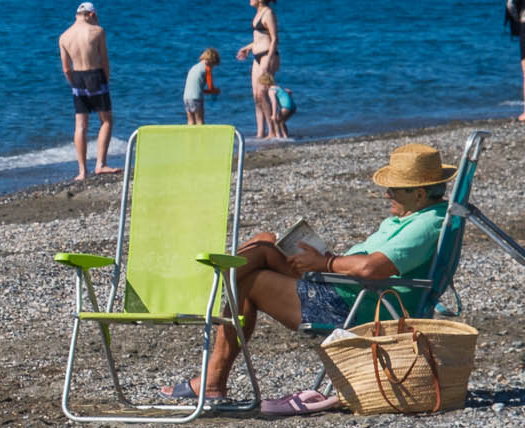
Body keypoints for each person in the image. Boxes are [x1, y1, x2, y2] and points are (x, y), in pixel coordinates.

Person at [167, 142, 456, 400]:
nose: (386, 194)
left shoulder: (426, 224)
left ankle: (210, 364)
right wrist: (325, 260)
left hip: (358, 305)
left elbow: (371, 267)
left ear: (419, 194)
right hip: (347, 288)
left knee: (249, 279)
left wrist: (325, 264)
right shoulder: (414, 215)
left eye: (394, 189)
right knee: (264, 242)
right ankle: (212, 364)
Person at [59, 2, 116, 178]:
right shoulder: (97, 31)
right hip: (95, 75)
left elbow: (66, 68)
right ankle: (100, 164)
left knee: (80, 125)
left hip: (77, 78)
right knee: (106, 120)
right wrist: (106, 79)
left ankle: (82, 171)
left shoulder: (64, 36)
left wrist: (73, 83)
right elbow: (104, 60)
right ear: (91, 15)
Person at [237, 0, 286, 140]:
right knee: (256, 96)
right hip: (257, 56)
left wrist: (268, 60)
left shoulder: (269, 14)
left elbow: (274, 39)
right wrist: (247, 48)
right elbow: (259, 38)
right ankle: (260, 132)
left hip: (267, 57)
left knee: (262, 93)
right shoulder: (258, 13)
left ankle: (272, 131)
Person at [183, 47, 222, 125]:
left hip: (186, 97)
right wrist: (216, 91)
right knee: (200, 121)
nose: (212, 68)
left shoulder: (194, 67)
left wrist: (206, 91)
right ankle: (201, 137)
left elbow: (197, 88)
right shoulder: (207, 69)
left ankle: (190, 137)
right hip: (196, 98)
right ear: (212, 61)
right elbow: (210, 87)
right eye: (213, 65)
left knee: (190, 121)